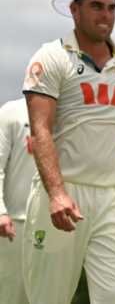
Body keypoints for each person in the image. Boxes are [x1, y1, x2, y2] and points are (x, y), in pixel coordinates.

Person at [21, 0, 115, 304]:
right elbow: (40, 129)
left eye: (111, 8)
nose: (106, 15)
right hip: (64, 195)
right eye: (96, 7)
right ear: (74, 11)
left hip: (113, 199)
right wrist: (58, 193)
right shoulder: (50, 57)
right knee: (48, 297)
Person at [0, 98, 37, 304]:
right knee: (11, 297)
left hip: (57, 225)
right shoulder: (12, 112)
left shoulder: (70, 112)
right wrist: (0, 211)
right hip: (14, 225)